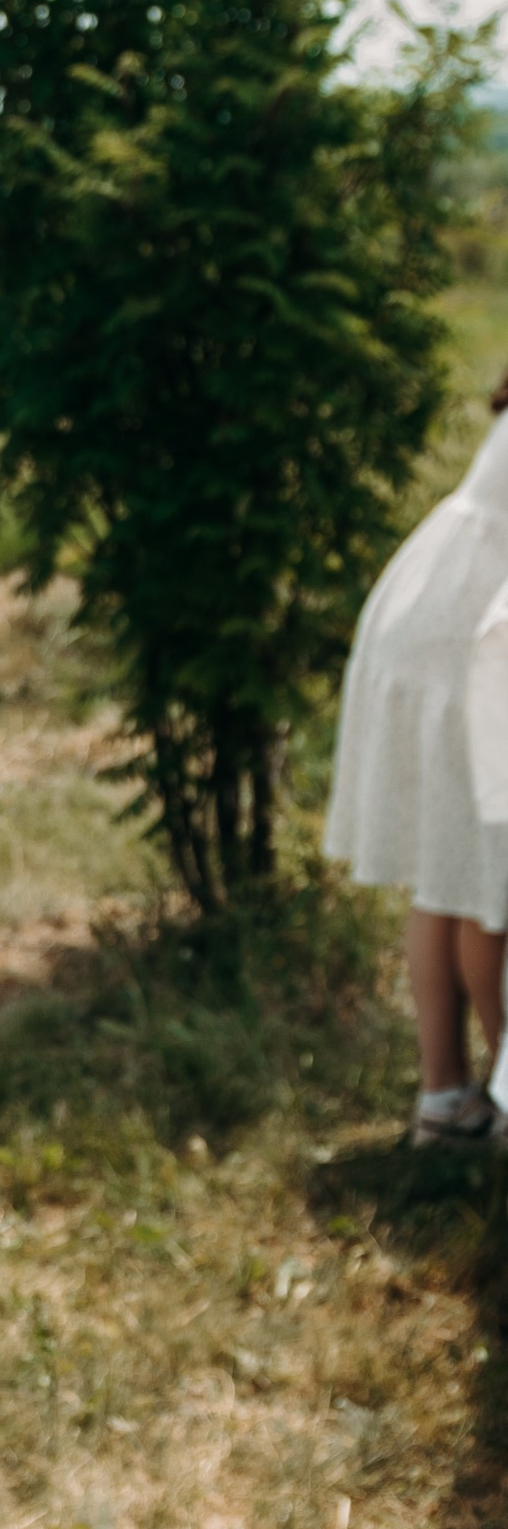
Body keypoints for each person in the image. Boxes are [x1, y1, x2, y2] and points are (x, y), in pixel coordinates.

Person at [324, 372, 508, 1144]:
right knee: (487, 889)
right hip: (471, 642)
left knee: (450, 870)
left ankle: (447, 1095)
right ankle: (501, 1096)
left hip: (438, 613)